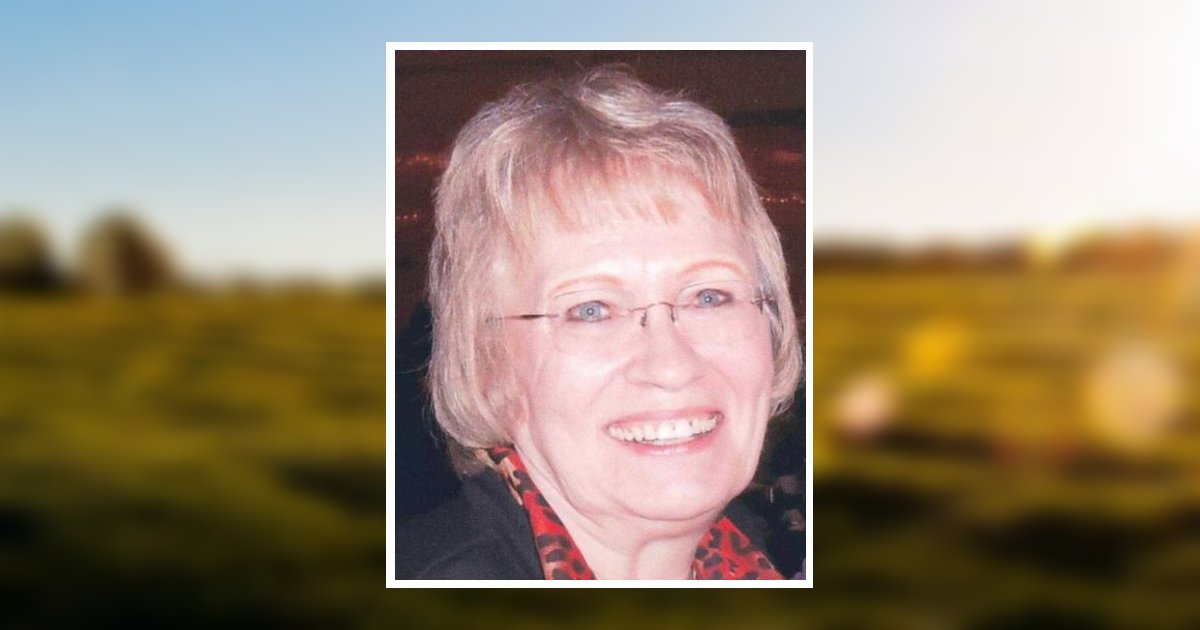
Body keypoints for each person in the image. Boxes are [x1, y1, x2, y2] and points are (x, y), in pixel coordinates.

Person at [395, 65, 802, 580]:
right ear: (489, 365)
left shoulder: (759, 554)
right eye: (591, 310)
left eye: (709, 296)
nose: (672, 365)